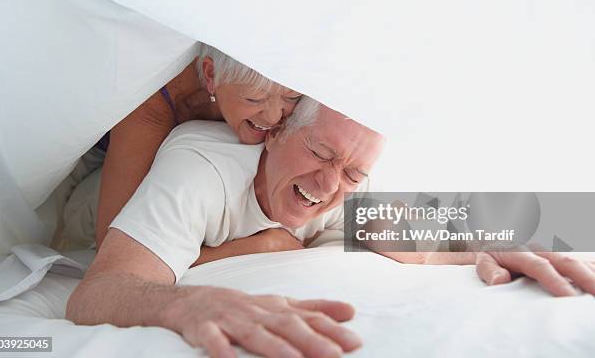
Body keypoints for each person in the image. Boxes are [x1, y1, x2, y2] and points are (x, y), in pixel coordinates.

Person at [67, 98, 385, 358]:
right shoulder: (199, 175)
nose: (329, 185)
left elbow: (431, 238)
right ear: (276, 133)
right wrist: (192, 303)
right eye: (319, 153)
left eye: (354, 175)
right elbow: (97, 292)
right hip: (86, 199)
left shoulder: (344, 179)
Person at [58, 43, 306, 263]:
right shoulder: (151, 108)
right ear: (211, 76)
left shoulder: (297, 85)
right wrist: (260, 246)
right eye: (254, 99)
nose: (275, 117)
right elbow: (113, 253)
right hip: (93, 171)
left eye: (291, 96)